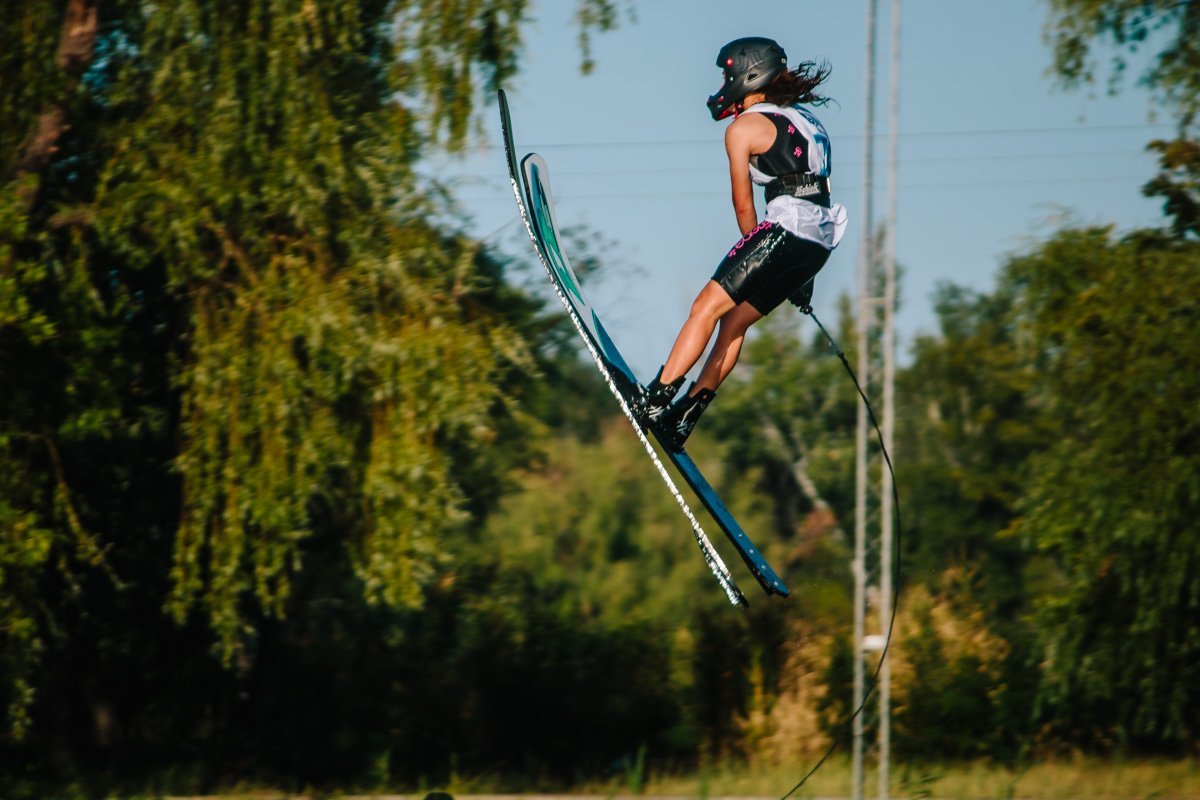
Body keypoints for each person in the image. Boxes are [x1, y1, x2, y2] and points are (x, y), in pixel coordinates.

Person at [636, 36, 848, 450]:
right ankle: (684, 419)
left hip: (784, 229)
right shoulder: (808, 122)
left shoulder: (743, 128)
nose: (723, 83)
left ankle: (656, 398)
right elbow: (815, 194)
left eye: (726, 74)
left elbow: (743, 205)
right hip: (818, 244)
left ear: (748, 75)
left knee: (707, 307)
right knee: (734, 322)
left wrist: (753, 248)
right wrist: (799, 279)